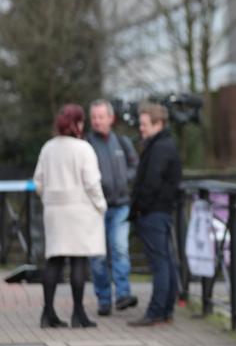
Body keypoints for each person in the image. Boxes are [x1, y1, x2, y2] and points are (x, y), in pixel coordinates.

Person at [33, 104, 107, 328]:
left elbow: (38, 181)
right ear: (78, 123)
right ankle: (78, 313)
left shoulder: (48, 148)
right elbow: (92, 183)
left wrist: (49, 198)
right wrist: (101, 205)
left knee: (54, 260)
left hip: (54, 211)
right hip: (79, 211)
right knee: (78, 260)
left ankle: (48, 313)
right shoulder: (83, 149)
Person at [128, 102, 182, 327]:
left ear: (158, 123)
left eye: (144, 124)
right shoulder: (166, 145)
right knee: (167, 261)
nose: (141, 128)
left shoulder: (159, 148)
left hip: (153, 212)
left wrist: (140, 207)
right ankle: (166, 310)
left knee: (160, 264)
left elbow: (151, 182)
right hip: (161, 210)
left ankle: (156, 311)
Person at [87, 99, 140, 316]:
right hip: (96, 208)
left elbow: (135, 165)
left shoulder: (122, 141)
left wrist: (125, 179)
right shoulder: (87, 144)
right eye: (94, 117)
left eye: (101, 117)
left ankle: (123, 294)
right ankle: (104, 299)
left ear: (111, 118)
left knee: (120, 250)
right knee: (98, 256)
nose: (97, 121)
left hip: (121, 206)